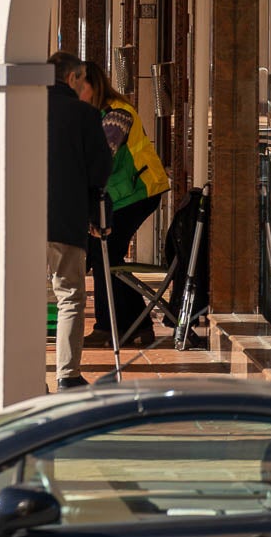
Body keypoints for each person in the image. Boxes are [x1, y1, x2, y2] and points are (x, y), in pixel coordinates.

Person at [80, 60, 170, 348]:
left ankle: (110, 327)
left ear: (95, 86)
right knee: (108, 258)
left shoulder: (117, 113)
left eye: (80, 87)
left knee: (104, 254)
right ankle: (137, 325)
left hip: (138, 192)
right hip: (123, 194)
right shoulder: (96, 113)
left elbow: (101, 157)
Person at [46, 52, 113, 390]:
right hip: (65, 218)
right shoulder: (84, 115)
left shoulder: (21, 107)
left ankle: (25, 374)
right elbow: (100, 170)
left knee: (27, 297)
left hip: (21, 220)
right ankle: (67, 375)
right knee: (70, 294)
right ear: (72, 78)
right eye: (83, 78)